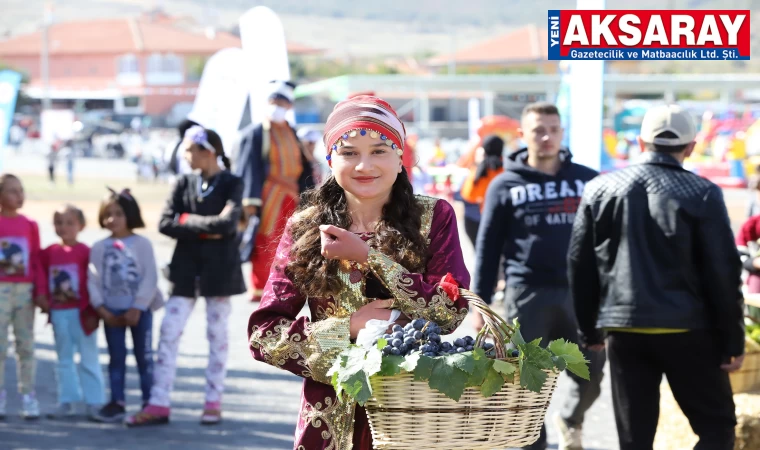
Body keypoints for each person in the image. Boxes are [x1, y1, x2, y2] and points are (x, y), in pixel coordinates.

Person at [247, 95, 470, 449]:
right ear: (330, 159)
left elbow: (450, 311)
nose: (364, 165)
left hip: (413, 414)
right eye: (349, 152)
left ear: (400, 158)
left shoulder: (434, 217)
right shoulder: (306, 227)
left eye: (380, 150)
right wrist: (346, 328)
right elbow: (263, 335)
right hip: (328, 420)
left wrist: (370, 258)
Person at [568, 104, 745, 450]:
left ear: (639, 142)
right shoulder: (703, 193)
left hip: (624, 330)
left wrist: (589, 329)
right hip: (691, 330)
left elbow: (579, 263)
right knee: (717, 429)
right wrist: (732, 342)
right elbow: (724, 273)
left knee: (635, 440)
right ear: (691, 147)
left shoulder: (600, 188)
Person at [471, 102, 603, 450]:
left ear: (562, 132)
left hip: (581, 297)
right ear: (522, 136)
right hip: (526, 295)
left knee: (593, 372)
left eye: (553, 130)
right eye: (538, 131)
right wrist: (479, 304)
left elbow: (607, 242)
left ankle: (571, 419)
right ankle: (535, 443)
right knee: (524, 382)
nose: (546, 138)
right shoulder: (504, 184)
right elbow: (488, 249)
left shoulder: (587, 179)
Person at [126, 126, 245, 427]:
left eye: (189, 150)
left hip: (219, 273)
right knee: (169, 333)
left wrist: (188, 221)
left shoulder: (232, 182)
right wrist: (208, 227)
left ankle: (213, 401)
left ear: (207, 152)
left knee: (217, 336)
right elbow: (165, 223)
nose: (185, 156)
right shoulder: (183, 182)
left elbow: (228, 225)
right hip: (185, 271)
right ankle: (159, 402)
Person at [234, 80, 315, 301]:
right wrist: (249, 199)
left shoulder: (292, 132)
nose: (277, 105)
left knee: (293, 241)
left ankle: (286, 286)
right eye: (273, 101)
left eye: (281, 102)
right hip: (268, 195)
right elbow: (248, 166)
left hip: (293, 194)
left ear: (289, 106)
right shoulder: (256, 133)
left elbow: (304, 166)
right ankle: (261, 287)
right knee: (265, 239)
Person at [88, 188, 163, 423]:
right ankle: (117, 402)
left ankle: (150, 402)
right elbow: (93, 280)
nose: (112, 219)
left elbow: (150, 277)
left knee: (144, 357)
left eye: (118, 213)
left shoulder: (142, 244)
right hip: (111, 312)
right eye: (107, 214)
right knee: (116, 357)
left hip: (139, 312)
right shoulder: (99, 247)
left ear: (129, 214)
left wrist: (137, 307)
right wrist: (102, 309)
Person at [42, 205, 104, 419]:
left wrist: (95, 311)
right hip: (59, 312)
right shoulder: (50, 252)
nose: (64, 227)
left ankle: (95, 402)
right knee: (64, 358)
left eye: (69, 223)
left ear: (81, 226)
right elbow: (38, 273)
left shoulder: (86, 252)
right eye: (59, 222)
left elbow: (96, 282)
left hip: (83, 313)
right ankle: (67, 400)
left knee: (89, 357)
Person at [0, 174, 47, 420]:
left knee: (25, 345)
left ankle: (28, 395)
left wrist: (40, 291)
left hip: (25, 292)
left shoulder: (30, 225)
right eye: (12, 191)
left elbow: (36, 259)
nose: (19, 196)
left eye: (21, 190)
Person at [459, 135, 505, 246]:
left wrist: (478, 163)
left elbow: (468, 195)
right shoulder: (506, 167)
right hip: (503, 220)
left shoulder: (481, 168)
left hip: (479, 218)